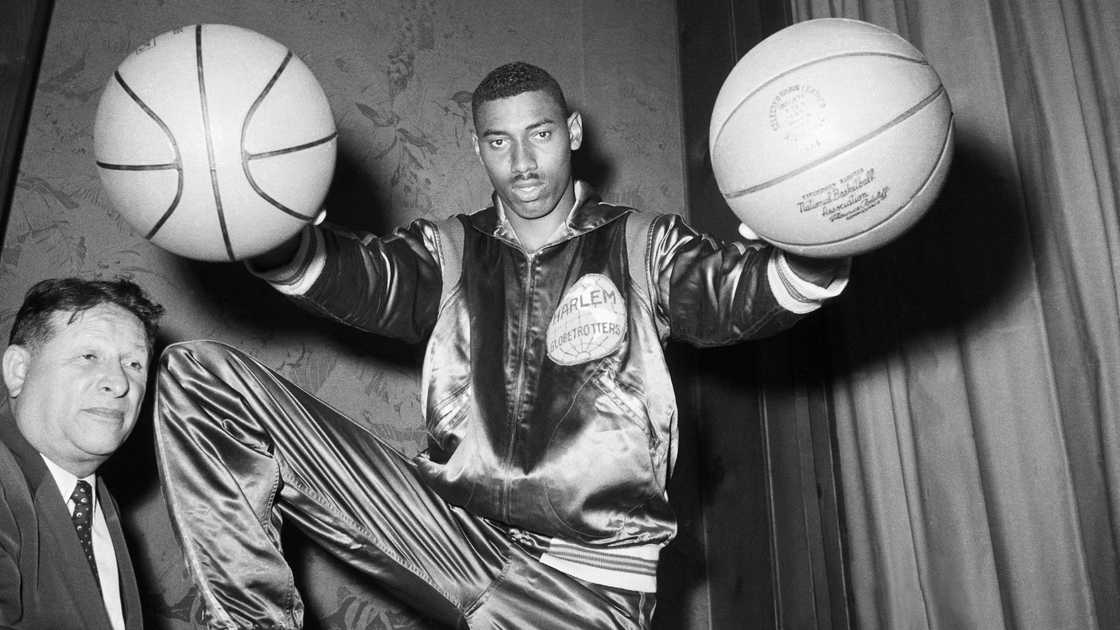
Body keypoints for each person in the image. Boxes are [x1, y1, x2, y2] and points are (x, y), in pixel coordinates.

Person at [153, 62, 849, 629]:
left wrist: (811, 252)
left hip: (585, 586)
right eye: (498, 141)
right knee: (199, 377)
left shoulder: (642, 245)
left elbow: (735, 294)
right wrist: (267, 226)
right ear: (476, 146)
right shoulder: (452, 251)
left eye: (540, 134)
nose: (521, 161)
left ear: (572, 132)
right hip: (452, 534)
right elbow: (366, 278)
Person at [0, 277, 164, 630]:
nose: (119, 383)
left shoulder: (93, 500)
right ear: (19, 371)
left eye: (134, 365)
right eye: (89, 356)